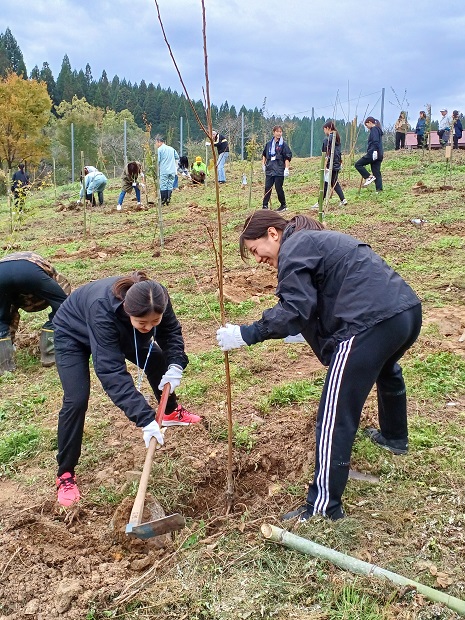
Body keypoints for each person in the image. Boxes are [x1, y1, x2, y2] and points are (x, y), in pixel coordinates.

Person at [216, 210, 422, 521]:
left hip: (369, 323)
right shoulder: (315, 242)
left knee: (334, 415)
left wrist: (247, 333)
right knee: (386, 369)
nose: (258, 259)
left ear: (273, 234)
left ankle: (322, 508)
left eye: (255, 250)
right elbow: (325, 298)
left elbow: (294, 307)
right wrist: (301, 332)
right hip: (405, 312)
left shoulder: (294, 246)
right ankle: (395, 437)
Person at [53, 270, 201, 507]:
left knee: (157, 360)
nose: (149, 327)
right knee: (76, 399)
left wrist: (175, 363)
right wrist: (144, 418)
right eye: (143, 323)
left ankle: (171, 412)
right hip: (73, 333)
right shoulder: (102, 309)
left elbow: (170, 332)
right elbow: (111, 372)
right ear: (128, 310)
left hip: (119, 329)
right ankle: (65, 474)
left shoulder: (157, 296)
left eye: (154, 321)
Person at [0, 252, 70, 374]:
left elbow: (10, 312)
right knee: (63, 306)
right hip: (29, 272)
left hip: (1, 273)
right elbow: (64, 298)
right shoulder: (54, 275)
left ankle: (4, 365)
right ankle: (49, 353)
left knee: (1, 319)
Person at [312, 121, 347, 209]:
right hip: (336, 163)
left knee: (325, 184)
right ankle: (343, 200)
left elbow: (325, 155)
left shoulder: (327, 140)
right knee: (334, 182)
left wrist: (325, 167)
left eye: (324, 129)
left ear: (327, 128)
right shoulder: (337, 138)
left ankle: (319, 203)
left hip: (330, 165)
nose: (324, 132)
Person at [262, 125, 292, 212]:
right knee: (268, 187)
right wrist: (263, 164)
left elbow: (287, 157)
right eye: (277, 131)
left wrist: (286, 168)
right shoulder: (268, 144)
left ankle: (283, 205)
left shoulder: (284, 145)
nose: (279, 133)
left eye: (280, 132)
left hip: (279, 169)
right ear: (274, 132)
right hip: (270, 168)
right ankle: (265, 205)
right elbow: (264, 154)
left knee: (278, 187)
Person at [354, 117, 384, 192]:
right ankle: (379, 190)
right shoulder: (378, 130)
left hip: (373, 153)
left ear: (370, 122)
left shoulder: (374, 129)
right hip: (379, 154)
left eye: (366, 125)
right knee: (376, 172)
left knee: (358, 164)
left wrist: (374, 151)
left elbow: (375, 141)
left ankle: (368, 177)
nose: (367, 127)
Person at [156, 136, 179, 205]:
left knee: (163, 185)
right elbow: (177, 157)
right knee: (170, 184)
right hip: (172, 170)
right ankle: (168, 198)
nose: (156, 144)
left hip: (164, 170)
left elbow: (158, 160)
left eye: (156, 143)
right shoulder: (171, 148)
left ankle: (163, 200)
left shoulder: (159, 150)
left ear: (159, 142)